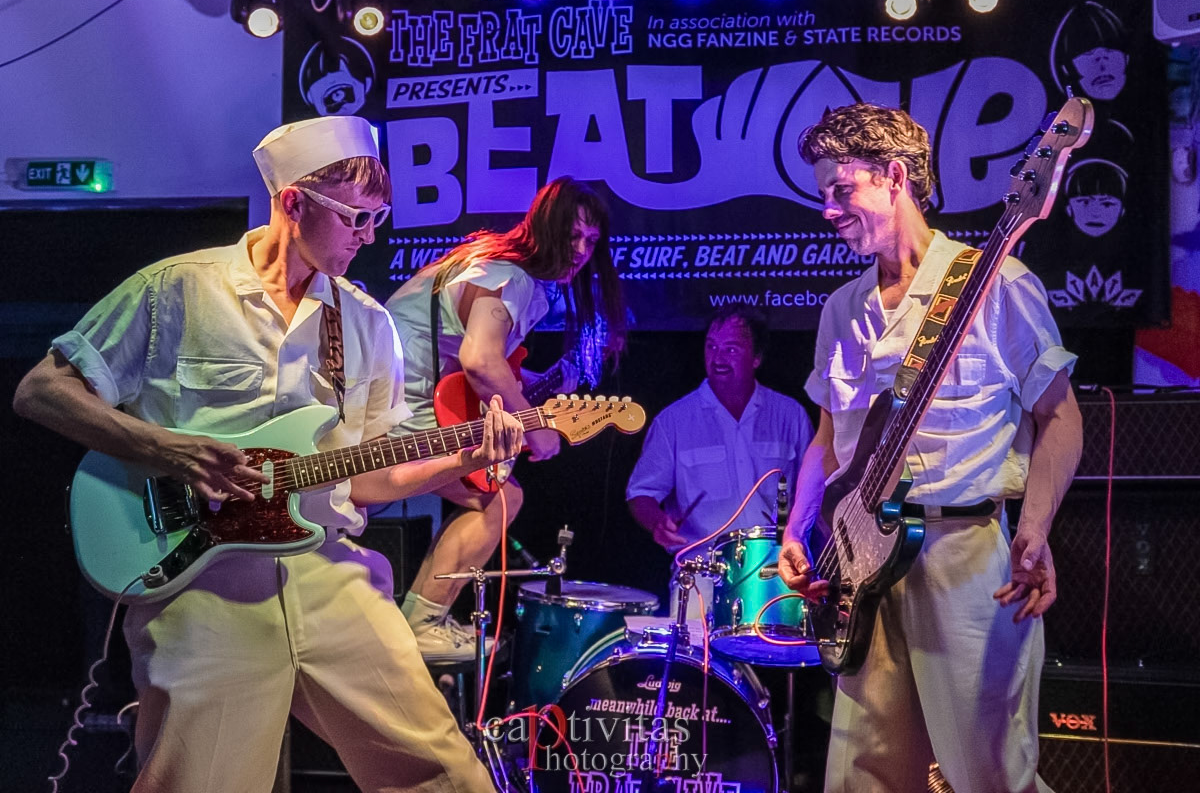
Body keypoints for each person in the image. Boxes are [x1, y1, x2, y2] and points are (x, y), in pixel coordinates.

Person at [12, 115, 524, 793]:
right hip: (201, 583)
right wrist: (167, 447)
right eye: (355, 218)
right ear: (293, 202)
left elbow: (367, 478)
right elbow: (42, 391)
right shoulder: (177, 288)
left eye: (378, 219)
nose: (369, 236)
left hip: (330, 571)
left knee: (449, 776)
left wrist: (463, 460)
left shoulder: (367, 323)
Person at [778, 103, 1082, 793]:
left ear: (894, 177)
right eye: (823, 194)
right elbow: (828, 439)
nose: (828, 210)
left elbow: (1061, 418)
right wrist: (797, 529)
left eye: (841, 189)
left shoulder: (997, 282)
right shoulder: (841, 308)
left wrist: (1035, 526)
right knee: (864, 779)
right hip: (859, 566)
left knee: (989, 777)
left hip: (964, 556)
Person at [385, 176, 626, 660]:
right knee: (500, 499)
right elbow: (479, 362)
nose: (582, 251)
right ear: (546, 227)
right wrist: (536, 428)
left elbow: (489, 364)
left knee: (496, 495)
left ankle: (421, 621)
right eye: (572, 236)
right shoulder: (511, 276)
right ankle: (422, 623)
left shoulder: (501, 266)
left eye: (591, 240)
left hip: (399, 395)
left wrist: (556, 379)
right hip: (398, 401)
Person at [626, 304, 814, 615]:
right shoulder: (674, 421)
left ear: (756, 358)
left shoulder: (790, 415)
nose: (718, 357)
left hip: (776, 572)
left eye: (731, 349)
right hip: (701, 574)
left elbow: (815, 488)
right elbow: (640, 493)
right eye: (711, 346)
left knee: (779, 646)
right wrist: (657, 523)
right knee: (695, 649)